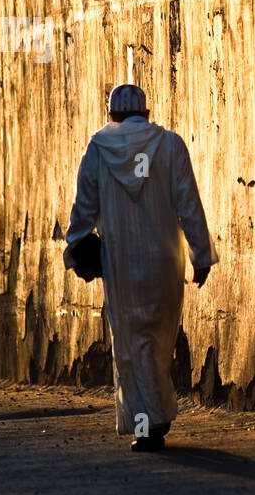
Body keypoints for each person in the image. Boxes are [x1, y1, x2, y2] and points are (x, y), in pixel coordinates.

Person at [63, 84, 217, 451]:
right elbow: (189, 205)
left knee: (132, 345)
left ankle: (147, 424)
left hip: (121, 264)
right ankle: (155, 419)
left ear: (111, 114)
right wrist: (201, 255)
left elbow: (82, 209)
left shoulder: (99, 148)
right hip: (165, 263)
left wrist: (77, 251)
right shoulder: (170, 145)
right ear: (146, 114)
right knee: (158, 343)